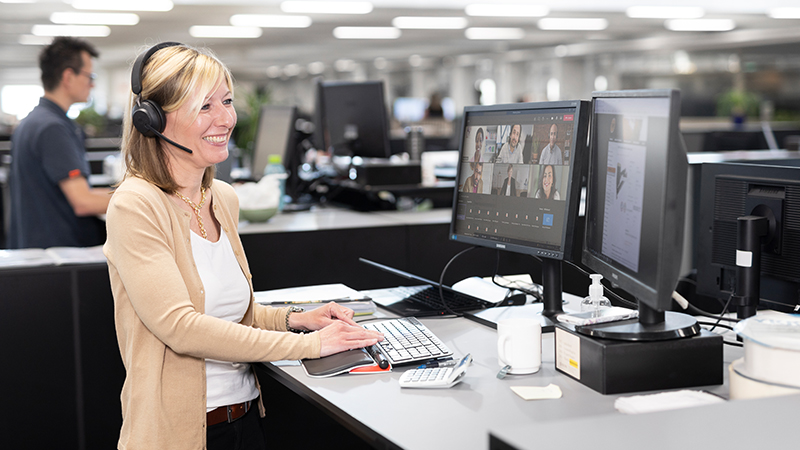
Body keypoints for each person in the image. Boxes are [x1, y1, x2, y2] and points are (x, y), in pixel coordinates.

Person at [103, 43, 383, 450]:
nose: (226, 118)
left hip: (246, 421)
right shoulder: (136, 205)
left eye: (228, 101)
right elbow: (182, 328)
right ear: (153, 121)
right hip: (179, 435)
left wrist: (298, 320)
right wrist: (310, 346)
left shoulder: (222, 197)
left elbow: (235, 317)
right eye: (205, 106)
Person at [8, 36, 110, 249]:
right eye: (89, 76)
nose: (92, 83)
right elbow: (83, 201)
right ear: (68, 76)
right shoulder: (53, 128)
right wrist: (150, 200)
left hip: (35, 247)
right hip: (59, 253)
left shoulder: (32, 122)